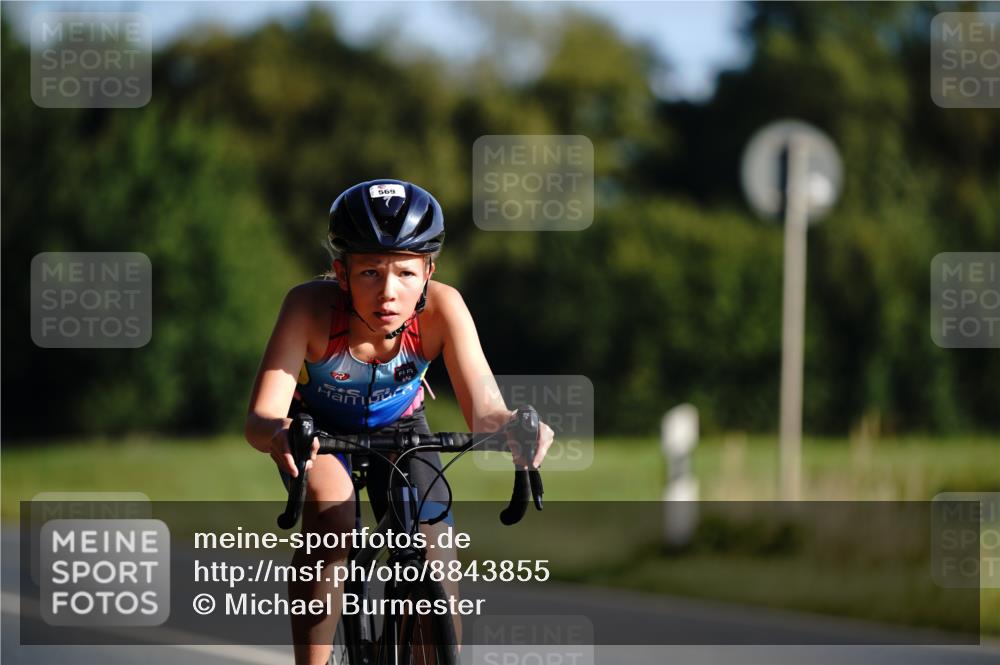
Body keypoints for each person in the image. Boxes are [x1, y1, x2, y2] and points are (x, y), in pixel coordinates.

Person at [245, 179, 553, 665]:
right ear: (340, 273)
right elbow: (262, 416)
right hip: (320, 432)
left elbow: (485, 410)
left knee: (438, 554)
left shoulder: (445, 308)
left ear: (429, 271)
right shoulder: (308, 308)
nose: (388, 292)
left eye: (406, 273)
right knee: (334, 516)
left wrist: (516, 425)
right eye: (369, 272)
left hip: (403, 428)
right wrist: (280, 433)